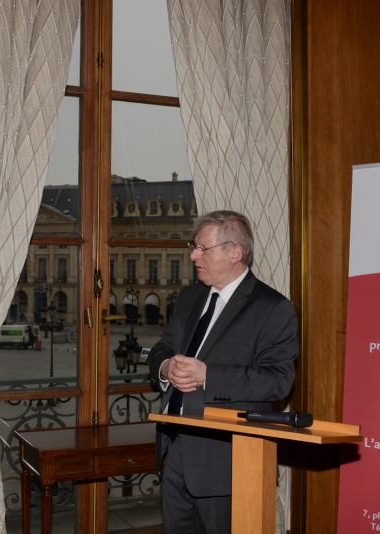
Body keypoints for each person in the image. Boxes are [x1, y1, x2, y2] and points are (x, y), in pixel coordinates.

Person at [148, 210, 299, 533]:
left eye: (203, 249)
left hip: (227, 463)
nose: (193, 255)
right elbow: (163, 347)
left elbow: (278, 381)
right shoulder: (190, 297)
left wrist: (208, 375)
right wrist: (165, 367)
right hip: (174, 453)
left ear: (235, 253)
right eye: (194, 246)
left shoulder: (273, 308)